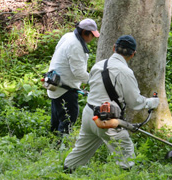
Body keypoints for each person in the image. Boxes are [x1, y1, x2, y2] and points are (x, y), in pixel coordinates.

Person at [63, 35, 160, 171]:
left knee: (80, 151)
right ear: (133, 54)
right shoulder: (125, 72)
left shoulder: (97, 65)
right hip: (108, 120)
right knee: (125, 152)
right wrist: (152, 102)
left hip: (89, 114)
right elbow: (135, 102)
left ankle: (64, 176)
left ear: (114, 48)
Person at [46, 19, 99, 137]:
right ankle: (60, 147)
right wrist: (96, 81)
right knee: (68, 119)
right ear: (85, 32)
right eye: (92, 35)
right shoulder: (75, 46)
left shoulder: (68, 36)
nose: (93, 38)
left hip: (55, 83)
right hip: (64, 88)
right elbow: (79, 73)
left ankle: (52, 143)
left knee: (57, 117)